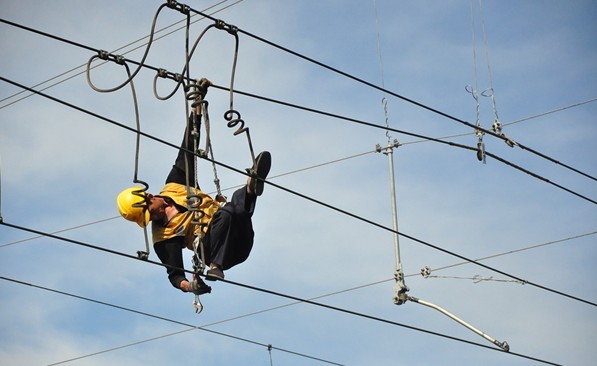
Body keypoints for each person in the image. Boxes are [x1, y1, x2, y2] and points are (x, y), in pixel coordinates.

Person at [116, 120, 271, 295]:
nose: (153, 218)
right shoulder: (163, 237)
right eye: (148, 219)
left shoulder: (176, 185)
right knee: (227, 213)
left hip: (240, 238)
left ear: (150, 197)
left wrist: (195, 110)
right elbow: (175, 275)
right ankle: (216, 266)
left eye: (150, 212)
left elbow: (187, 147)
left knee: (235, 208)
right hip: (214, 250)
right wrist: (190, 287)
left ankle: (251, 189)